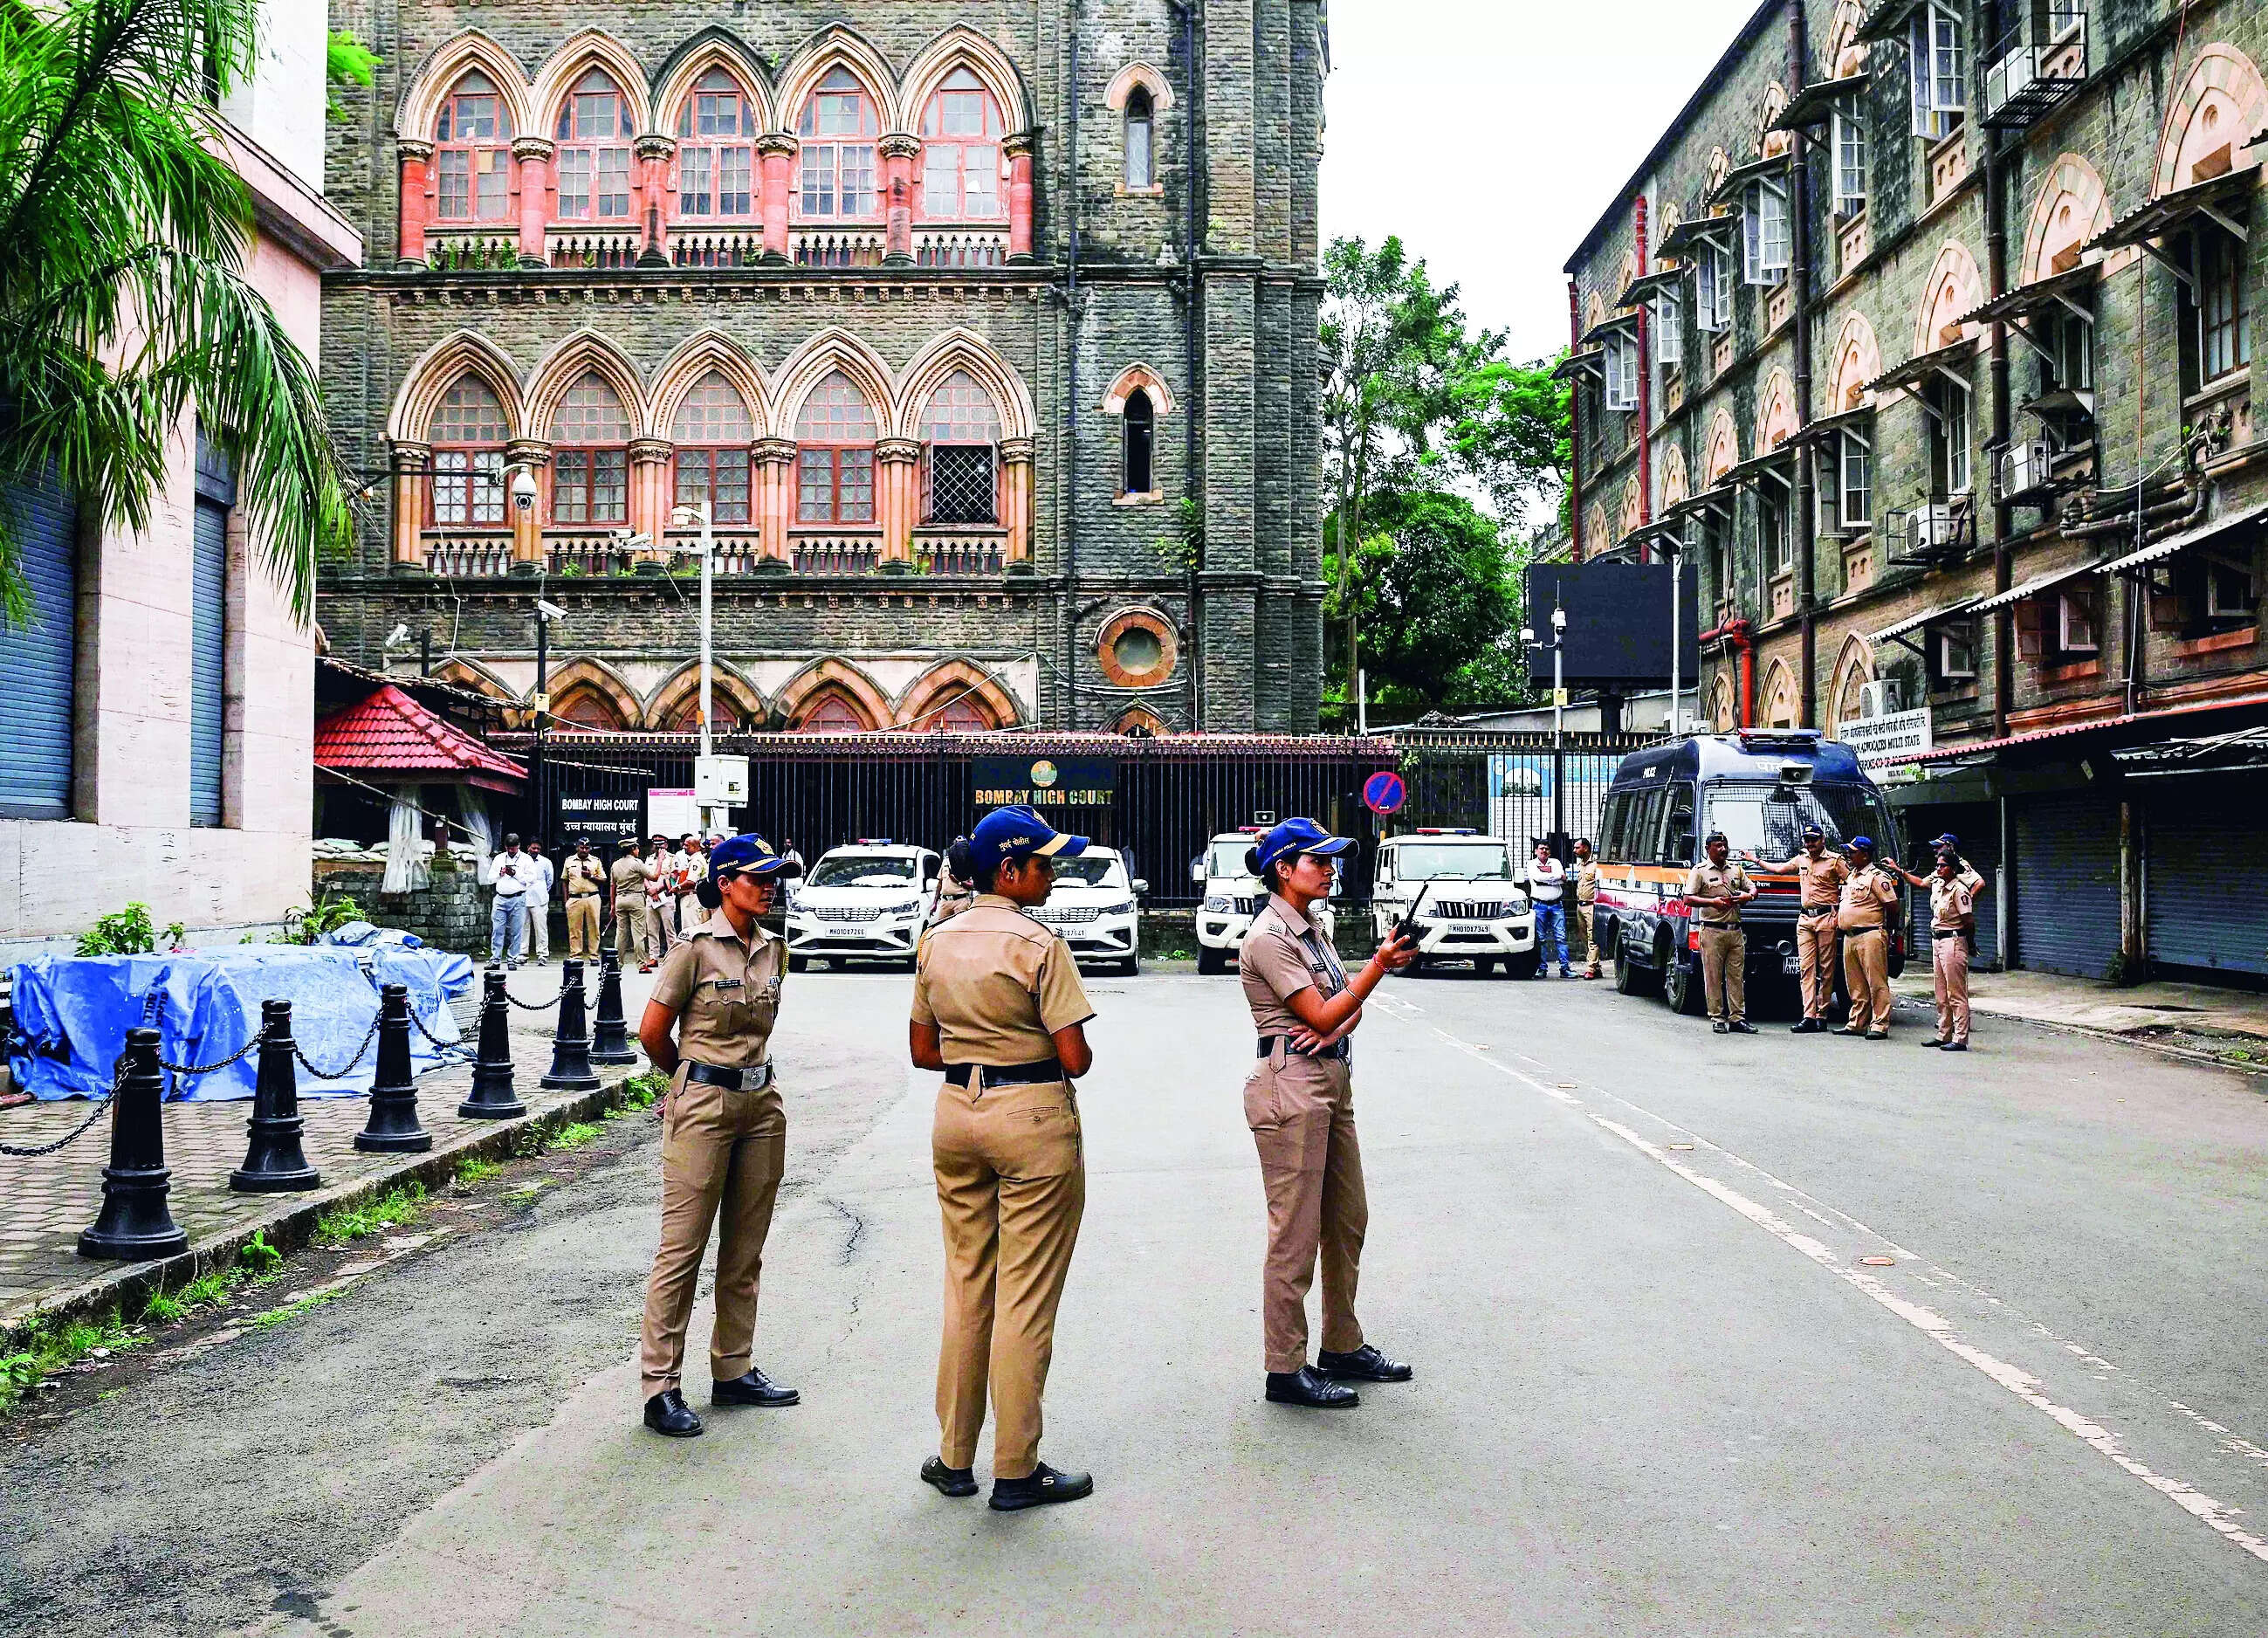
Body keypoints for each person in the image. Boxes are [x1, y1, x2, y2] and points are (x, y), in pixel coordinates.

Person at [907, 805, 1100, 1511]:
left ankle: (955, 1458)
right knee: (1024, 1295)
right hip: (1032, 1119)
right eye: (1043, 863)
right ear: (1009, 871)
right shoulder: (1041, 945)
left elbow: (923, 1050)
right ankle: (1016, 1468)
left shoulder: (937, 940)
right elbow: (1076, 1057)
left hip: (957, 1116)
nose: (1052, 874)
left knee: (967, 1286)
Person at [1238, 817, 1419, 1412]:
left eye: (1331, 860)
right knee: (1295, 1233)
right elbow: (1326, 1012)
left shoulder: (1313, 929)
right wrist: (1377, 968)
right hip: (1291, 1087)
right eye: (1319, 861)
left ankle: (1341, 1344)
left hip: (1330, 1080)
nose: (1331, 869)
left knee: (1347, 1218)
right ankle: (1284, 1367)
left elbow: (1344, 1012)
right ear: (1284, 869)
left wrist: (1339, 1013)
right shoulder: (1270, 936)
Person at [636, 832, 800, 1439]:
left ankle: (733, 1368)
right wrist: (687, 1079)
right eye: (757, 876)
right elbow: (652, 1032)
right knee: (682, 1250)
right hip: (704, 1104)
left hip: (762, 1104)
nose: (768, 885)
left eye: (773, 876)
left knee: (745, 1247)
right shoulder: (695, 950)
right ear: (725, 883)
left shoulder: (773, 949)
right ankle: (661, 1388)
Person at [1747, 824, 1850, 1034]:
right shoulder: (1801, 859)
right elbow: (1779, 869)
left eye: (1813, 839)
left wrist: (1842, 912)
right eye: (1807, 840)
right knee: (1806, 969)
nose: (1810, 844)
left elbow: (1852, 883)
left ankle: (1822, 1015)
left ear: (1822, 840)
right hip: (1805, 919)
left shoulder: (1835, 860)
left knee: (1827, 969)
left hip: (1826, 918)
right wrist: (1755, 860)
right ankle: (1809, 1016)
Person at [1893, 850, 1976, 1050]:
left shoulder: (1959, 890)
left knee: (1956, 993)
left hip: (1953, 941)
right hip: (1937, 940)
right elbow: (1920, 883)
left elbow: (1968, 921)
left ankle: (1960, 1038)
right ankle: (1944, 1033)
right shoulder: (1939, 885)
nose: (1938, 869)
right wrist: (1900, 871)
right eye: (1937, 865)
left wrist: (1970, 944)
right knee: (1941, 993)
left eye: (1942, 866)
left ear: (1953, 869)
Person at [1683, 830, 1758, 1034]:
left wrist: (1747, 897)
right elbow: (1688, 898)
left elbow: (1753, 890)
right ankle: (1717, 1017)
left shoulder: (1737, 869)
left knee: (1736, 976)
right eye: (1718, 846)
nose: (1723, 849)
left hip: (1735, 931)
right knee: (1713, 976)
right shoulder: (1699, 871)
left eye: (1725, 845)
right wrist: (1712, 902)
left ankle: (1737, 1018)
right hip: (1712, 931)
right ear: (1708, 849)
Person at [1835, 836, 1900, 1040]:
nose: (1849, 855)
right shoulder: (1852, 876)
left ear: (1864, 855)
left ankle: (1880, 1024)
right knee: (1855, 984)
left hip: (1870, 935)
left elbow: (1892, 906)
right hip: (1850, 936)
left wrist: (1890, 932)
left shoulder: (1877, 877)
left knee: (1876, 982)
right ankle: (1857, 1023)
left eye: (1852, 852)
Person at [610, 836, 656, 971]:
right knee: (639, 934)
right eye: (636, 848)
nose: (638, 850)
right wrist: (659, 861)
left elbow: (612, 886)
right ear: (632, 849)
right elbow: (654, 877)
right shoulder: (637, 863)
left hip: (620, 899)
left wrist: (612, 905)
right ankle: (641, 964)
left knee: (621, 933)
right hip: (635, 899)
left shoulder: (615, 864)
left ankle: (617, 963)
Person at [1526, 840, 1570, 978]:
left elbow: (1564, 879)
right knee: (1541, 938)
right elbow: (1537, 878)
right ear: (1535, 851)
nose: (1544, 851)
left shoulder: (1555, 862)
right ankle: (1542, 968)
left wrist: (1548, 878)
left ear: (1549, 851)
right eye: (1541, 848)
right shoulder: (1531, 864)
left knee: (1561, 937)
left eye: (1546, 849)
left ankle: (1565, 968)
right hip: (1539, 905)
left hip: (1557, 904)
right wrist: (1556, 877)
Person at [489, 834, 530, 967]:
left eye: (514, 848)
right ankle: (495, 959)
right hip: (500, 898)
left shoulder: (526, 859)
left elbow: (531, 879)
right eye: (509, 848)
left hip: (518, 898)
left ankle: (512, 959)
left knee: (516, 930)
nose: (511, 851)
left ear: (519, 846)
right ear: (505, 847)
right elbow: (490, 877)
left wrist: (516, 874)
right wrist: (499, 874)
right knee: (497, 929)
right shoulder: (499, 858)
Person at [561, 837, 606, 960]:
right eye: (582, 847)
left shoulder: (595, 861)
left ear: (590, 849)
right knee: (575, 929)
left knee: (594, 928)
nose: (584, 850)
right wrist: (566, 901)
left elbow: (603, 880)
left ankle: (594, 955)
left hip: (592, 897)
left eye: (587, 848)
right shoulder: (569, 861)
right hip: (575, 898)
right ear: (577, 847)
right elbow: (564, 881)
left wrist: (590, 876)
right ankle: (576, 955)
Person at [925, 835, 978, 931]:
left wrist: (959, 882)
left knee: (960, 929)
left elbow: (974, 886)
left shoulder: (968, 862)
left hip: (961, 901)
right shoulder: (945, 861)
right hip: (946, 901)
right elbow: (940, 883)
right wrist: (935, 903)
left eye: (961, 842)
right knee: (942, 929)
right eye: (956, 842)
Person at [1570, 838, 1603, 980]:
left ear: (1586, 848)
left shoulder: (1596, 865)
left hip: (1591, 906)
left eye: (1577, 848)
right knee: (1583, 937)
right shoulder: (1581, 865)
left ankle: (1590, 968)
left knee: (1592, 938)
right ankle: (1597, 967)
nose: (1574, 850)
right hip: (1580, 905)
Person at [519, 839, 555, 964]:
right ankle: (522, 954)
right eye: (533, 848)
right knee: (523, 928)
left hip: (540, 899)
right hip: (523, 898)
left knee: (541, 928)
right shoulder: (521, 860)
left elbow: (549, 881)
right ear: (528, 847)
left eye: (538, 849)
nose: (535, 851)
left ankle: (542, 955)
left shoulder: (546, 862)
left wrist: (541, 891)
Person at [647, 835, 677, 956]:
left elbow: (674, 878)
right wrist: (650, 890)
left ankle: (673, 955)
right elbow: (645, 876)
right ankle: (653, 955)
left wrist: (657, 890)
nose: (659, 846)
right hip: (651, 898)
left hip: (666, 897)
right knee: (651, 929)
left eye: (661, 843)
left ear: (667, 844)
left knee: (669, 929)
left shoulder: (672, 858)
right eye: (656, 844)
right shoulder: (649, 859)